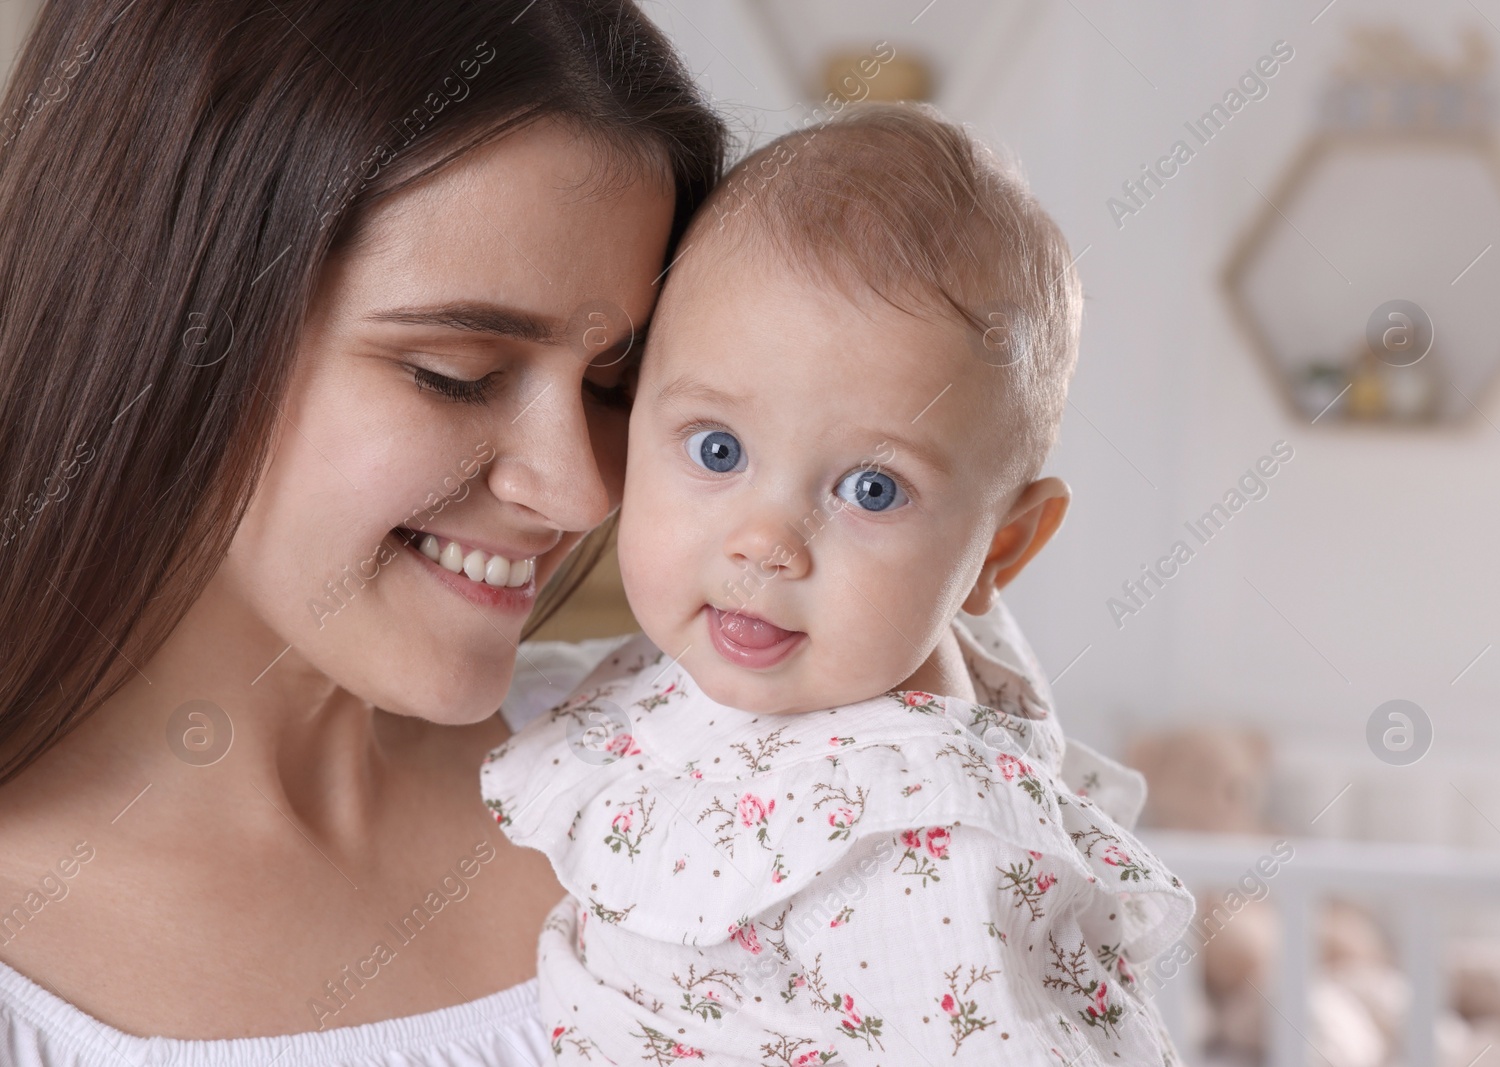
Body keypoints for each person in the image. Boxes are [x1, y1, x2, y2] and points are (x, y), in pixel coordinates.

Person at [0, 1, 726, 1062]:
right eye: (458, 376)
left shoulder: (696, 783)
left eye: (615, 386)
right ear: (164, 325)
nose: (581, 492)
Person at [481, 104, 1197, 1064]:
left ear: (1001, 550)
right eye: (717, 448)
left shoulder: (932, 848)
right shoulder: (703, 668)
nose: (767, 541)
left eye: (872, 489)